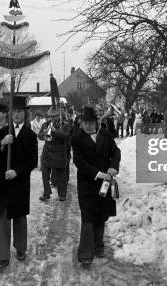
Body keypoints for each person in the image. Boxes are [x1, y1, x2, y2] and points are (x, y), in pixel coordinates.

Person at [0, 95, 38, 269]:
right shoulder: (4, 132)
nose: (17, 115)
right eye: (15, 112)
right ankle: (2, 255)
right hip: (2, 183)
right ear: (11, 114)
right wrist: (2, 144)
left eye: (20, 112)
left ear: (25, 114)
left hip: (19, 183)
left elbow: (33, 161)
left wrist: (16, 172)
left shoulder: (30, 135)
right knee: (2, 220)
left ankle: (20, 248)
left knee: (19, 217)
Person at [71, 105, 121, 267]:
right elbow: (80, 162)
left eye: (91, 122)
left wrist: (113, 166)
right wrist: (100, 174)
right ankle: (86, 253)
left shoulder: (105, 135)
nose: (88, 125)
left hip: (105, 184)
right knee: (88, 217)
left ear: (96, 122)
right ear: (81, 123)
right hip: (87, 183)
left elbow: (116, 152)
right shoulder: (77, 138)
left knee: (101, 215)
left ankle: (98, 246)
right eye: (85, 122)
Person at [38, 106, 71, 202]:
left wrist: (55, 131)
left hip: (59, 153)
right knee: (45, 174)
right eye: (50, 116)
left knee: (61, 176)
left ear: (58, 116)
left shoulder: (65, 125)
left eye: (54, 116)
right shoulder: (45, 124)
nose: (51, 119)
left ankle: (62, 194)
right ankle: (46, 193)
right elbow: (39, 136)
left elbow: (66, 136)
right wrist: (43, 133)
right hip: (47, 153)